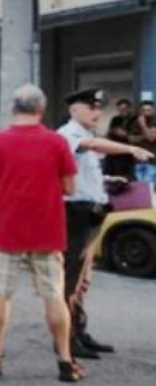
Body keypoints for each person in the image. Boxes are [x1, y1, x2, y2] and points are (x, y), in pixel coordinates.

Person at [0, 85, 81, 383]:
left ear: (13, 108)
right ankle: (64, 361)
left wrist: (4, 192)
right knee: (54, 295)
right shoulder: (56, 142)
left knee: (0, 293)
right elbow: (70, 187)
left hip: (8, 230)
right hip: (48, 231)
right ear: (41, 110)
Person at [58, 88, 153, 361]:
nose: (97, 112)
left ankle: (79, 331)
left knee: (83, 281)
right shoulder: (69, 134)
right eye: (90, 107)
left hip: (92, 212)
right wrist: (131, 148)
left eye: (98, 107)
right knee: (70, 280)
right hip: (76, 214)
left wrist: (109, 179)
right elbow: (93, 147)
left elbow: (85, 171)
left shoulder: (85, 135)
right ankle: (67, 339)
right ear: (74, 109)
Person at [104, 99, 136, 180]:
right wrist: (112, 132)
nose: (122, 111)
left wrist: (125, 134)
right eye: (120, 109)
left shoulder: (135, 119)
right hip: (113, 152)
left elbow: (136, 137)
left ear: (129, 108)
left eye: (124, 109)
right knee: (108, 176)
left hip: (127, 154)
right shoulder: (115, 119)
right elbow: (109, 133)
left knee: (125, 178)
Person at [128, 100, 156, 183]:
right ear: (140, 111)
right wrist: (145, 136)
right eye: (144, 110)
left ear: (153, 110)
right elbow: (131, 139)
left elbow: (152, 138)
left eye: (148, 110)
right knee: (138, 187)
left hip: (152, 160)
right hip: (137, 160)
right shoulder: (135, 122)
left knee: (149, 186)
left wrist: (143, 125)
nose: (146, 112)